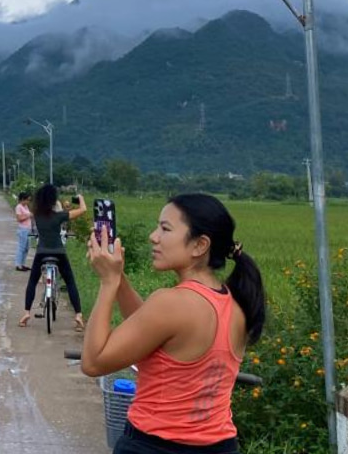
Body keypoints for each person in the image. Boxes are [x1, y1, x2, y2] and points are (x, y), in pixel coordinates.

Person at [81, 193, 267, 454]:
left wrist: (108, 283)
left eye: (165, 228)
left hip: (154, 445)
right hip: (220, 446)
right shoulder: (235, 303)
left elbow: (93, 362)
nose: (153, 237)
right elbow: (150, 327)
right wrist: (119, 277)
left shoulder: (172, 303)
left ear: (199, 245)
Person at [19, 183, 86, 331]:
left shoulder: (36, 215)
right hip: (59, 253)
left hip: (42, 253)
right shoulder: (59, 216)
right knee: (70, 282)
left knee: (32, 281)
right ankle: (78, 316)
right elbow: (83, 210)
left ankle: (26, 314)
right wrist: (80, 198)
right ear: (53, 200)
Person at [14, 191, 33, 271]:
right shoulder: (19, 207)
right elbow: (19, 219)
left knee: (26, 248)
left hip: (28, 229)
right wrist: (28, 215)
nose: (28, 201)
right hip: (23, 229)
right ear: (22, 199)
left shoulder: (26, 207)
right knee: (21, 247)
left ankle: (23, 264)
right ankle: (18, 265)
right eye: (27, 200)